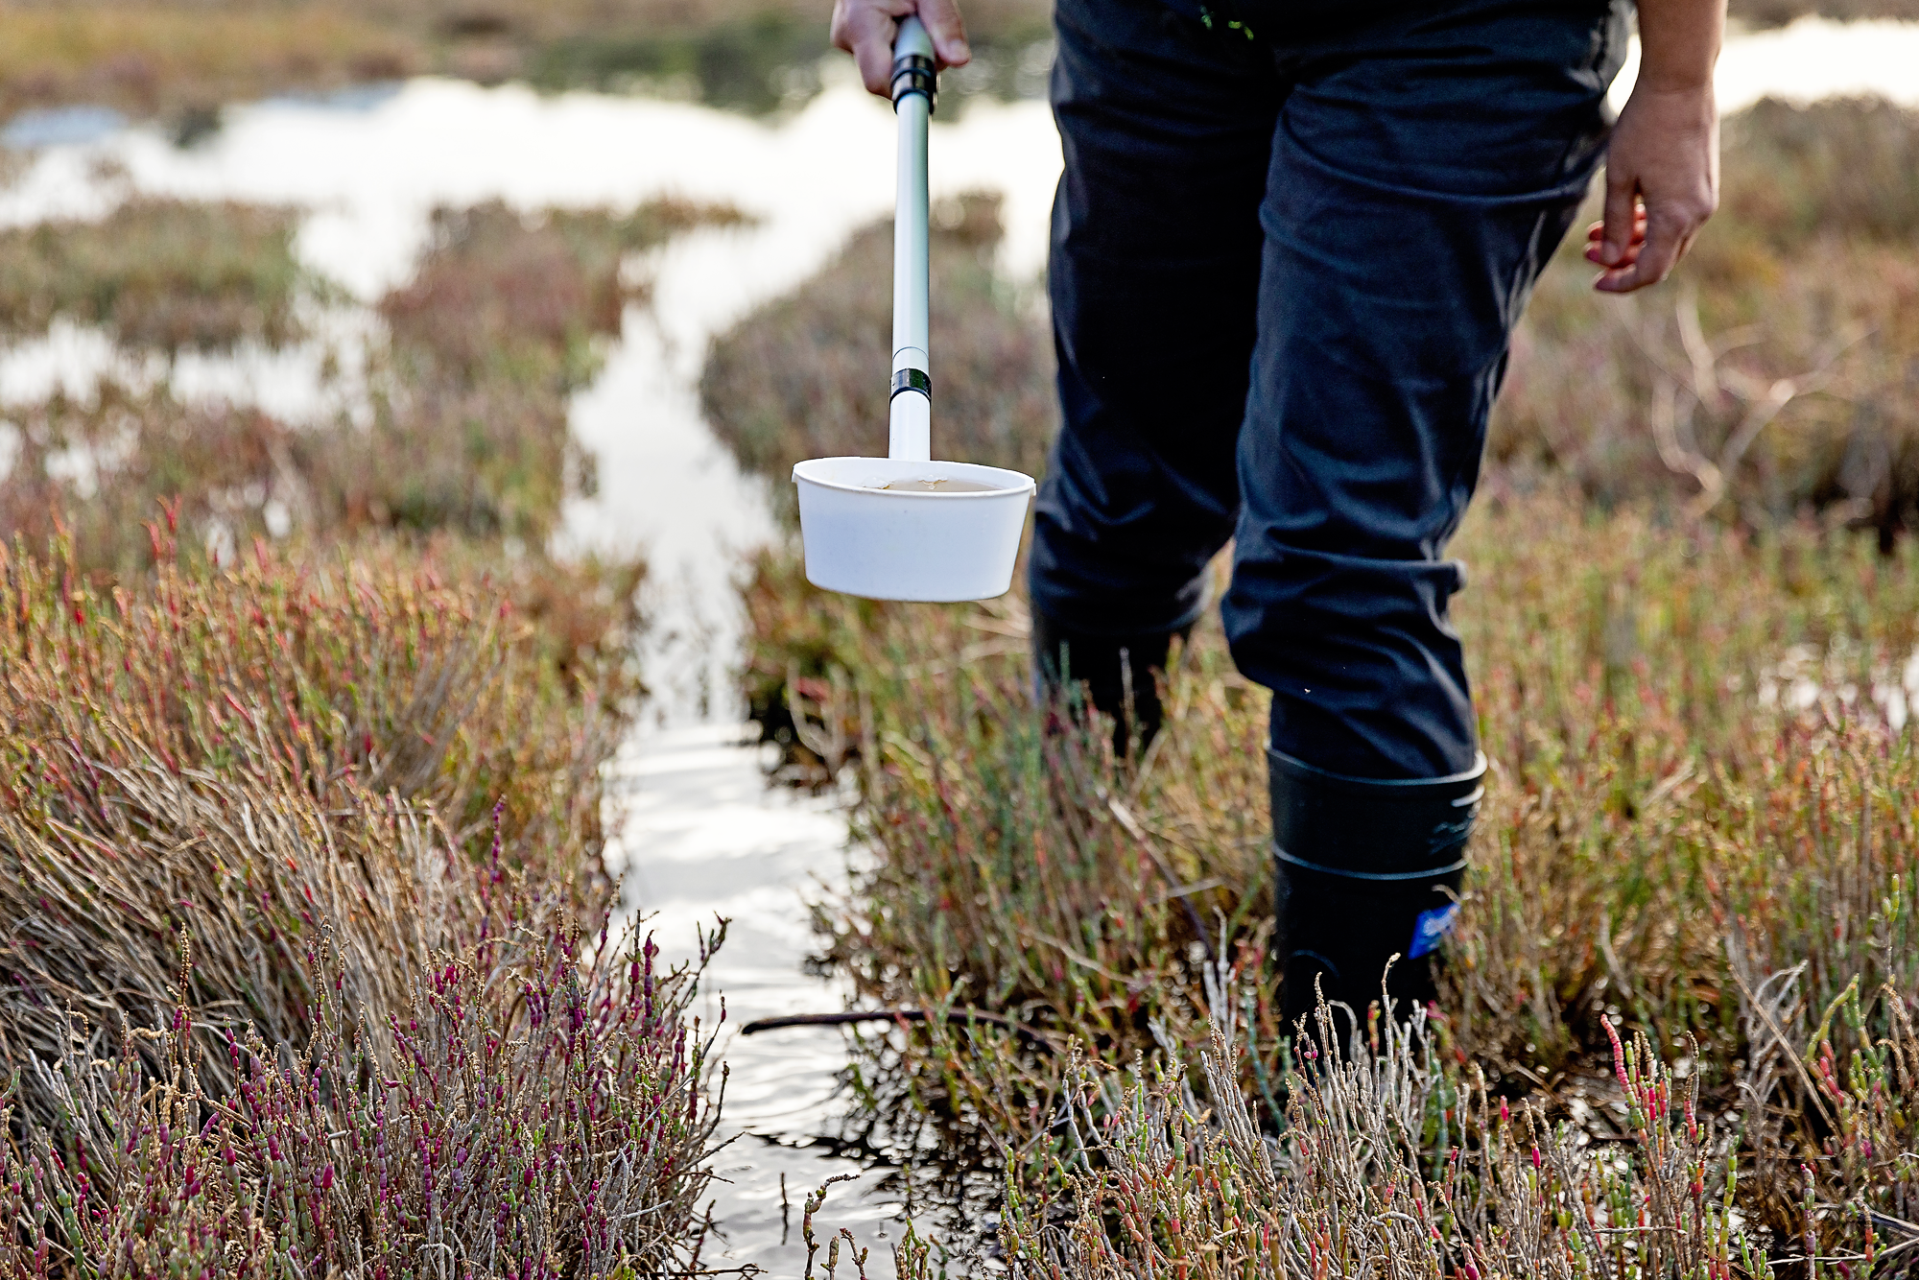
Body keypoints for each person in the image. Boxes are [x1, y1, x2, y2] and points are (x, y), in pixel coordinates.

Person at [832, 0, 1720, 1030]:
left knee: (1337, 572)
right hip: (1153, 27)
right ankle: (1058, 889)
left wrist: (1678, 79)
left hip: (1462, 35)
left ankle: (1352, 1090)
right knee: (1124, 497)